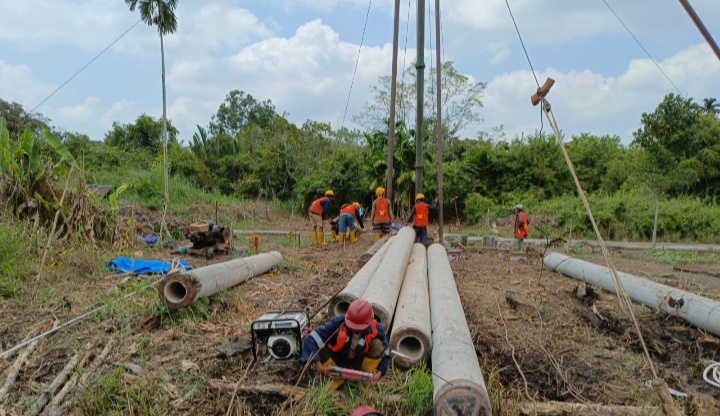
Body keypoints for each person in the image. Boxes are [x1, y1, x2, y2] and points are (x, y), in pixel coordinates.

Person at [302, 299, 391, 392]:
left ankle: (365, 381)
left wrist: (379, 373)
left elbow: (386, 354)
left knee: (377, 345)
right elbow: (311, 339)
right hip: (338, 361)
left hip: (359, 363)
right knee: (319, 344)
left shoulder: (376, 328)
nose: (355, 330)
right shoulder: (337, 323)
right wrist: (320, 368)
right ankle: (337, 378)